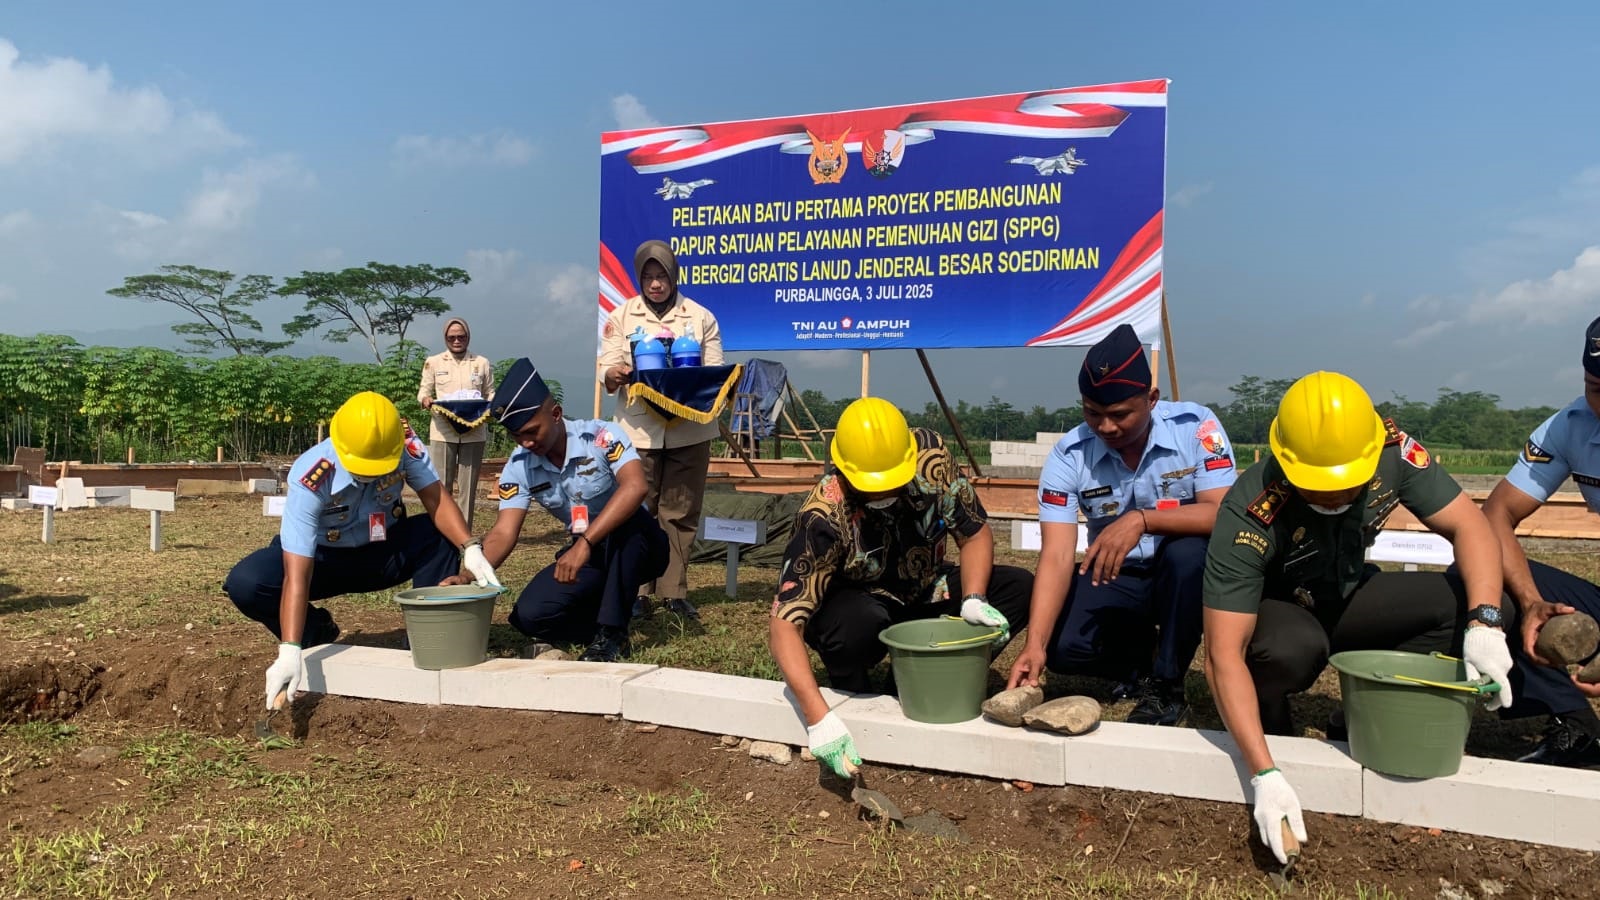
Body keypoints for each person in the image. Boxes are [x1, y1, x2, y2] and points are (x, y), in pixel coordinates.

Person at [1201, 371, 1512, 866]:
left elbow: (1470, 525)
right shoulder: (1250, 508)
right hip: (1282, 612)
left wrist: (1486, 623)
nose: (1335, 498)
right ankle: (1270, 713)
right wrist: (1263, 774)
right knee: (1289, 650)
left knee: (1469, 603)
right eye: (1318, 488)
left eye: (1347, 486)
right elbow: (1222, 654)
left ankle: (1361, 712)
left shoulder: (1392, 452)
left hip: (1347, 596)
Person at [769, 397, 1033, 779]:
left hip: (924, 587)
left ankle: (918, 678)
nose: (883, 493)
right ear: (844, 469)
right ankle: (852, 681)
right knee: (857, 623)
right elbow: (785, 622)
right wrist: (818, 718)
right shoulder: (822, 516)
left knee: (1018, 587)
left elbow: (974, 533)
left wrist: (974, 598)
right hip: (859, 601)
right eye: (872, 487)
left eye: (892, 481)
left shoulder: (932, 458)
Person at [1007, 324, 1237, 726]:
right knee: (1063, 648)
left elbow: (1222, 512)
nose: (1106, 427)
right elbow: (1057, 554)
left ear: (1151, 399)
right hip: (1116, 573)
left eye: (1119, 415)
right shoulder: (1070, 455)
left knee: (1187, 556)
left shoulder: (1196, 428)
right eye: (1092, 413)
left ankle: (1167, 687)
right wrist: (1035, 644)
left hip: (1180, 572)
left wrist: (1143, 519)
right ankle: (1140, 661)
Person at [223, 391, 500, 709]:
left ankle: (429, 642)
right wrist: (290, 647)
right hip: (323, 560)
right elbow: (297, 574)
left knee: (438, 534)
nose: (370, 474)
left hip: (383, 553)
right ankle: (315, 634)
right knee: (247, 581)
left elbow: (435, 496)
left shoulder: (402, 444)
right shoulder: (312, 474)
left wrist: (469, 546)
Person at [459, 359, 668, 662]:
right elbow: (504, 532)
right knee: (530, 616)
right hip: (591, 553)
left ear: (556, 414)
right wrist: (468, 576)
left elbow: (636, 487)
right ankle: (601, 623)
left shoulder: (602, 436)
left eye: (532, 431)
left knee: (628, 521)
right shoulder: (519, 467)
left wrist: (585, 543)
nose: (526, 442)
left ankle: (613, 635)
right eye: (518, 436)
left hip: (640, 544)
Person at [1478, 316, 1600, 768]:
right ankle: (1577, 726)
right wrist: (1531, 604)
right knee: (1482, 574)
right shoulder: (1570, 426)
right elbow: (1496, 515)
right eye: (1597, 389)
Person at [597, 240, 723, 621]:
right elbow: (606, 367)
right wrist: (614, 373)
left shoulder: (701, 317)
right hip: (638, 431)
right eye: (648, 277)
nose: (655, 284)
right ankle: (636, 591)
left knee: (680, 512)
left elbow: (714, 372)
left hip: (691, 430)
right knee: (638, 510)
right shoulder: (621, 317)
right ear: (639, 278)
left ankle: (673, 592)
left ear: (674, 276)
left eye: (662, 276)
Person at [418, 317, 495, 525]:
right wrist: (425, 400)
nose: (456, 341)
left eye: (461, 336)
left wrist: (493, 404)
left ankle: (464, 535)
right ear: (445, 338)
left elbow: (490, 392)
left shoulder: (481, 363)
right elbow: (424, 391)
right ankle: (441, 533)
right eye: (451, 337)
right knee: (441, 488)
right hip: (443, 431)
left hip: (474, 431)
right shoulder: (434, 362)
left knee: (468, 489)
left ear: (468, 337)